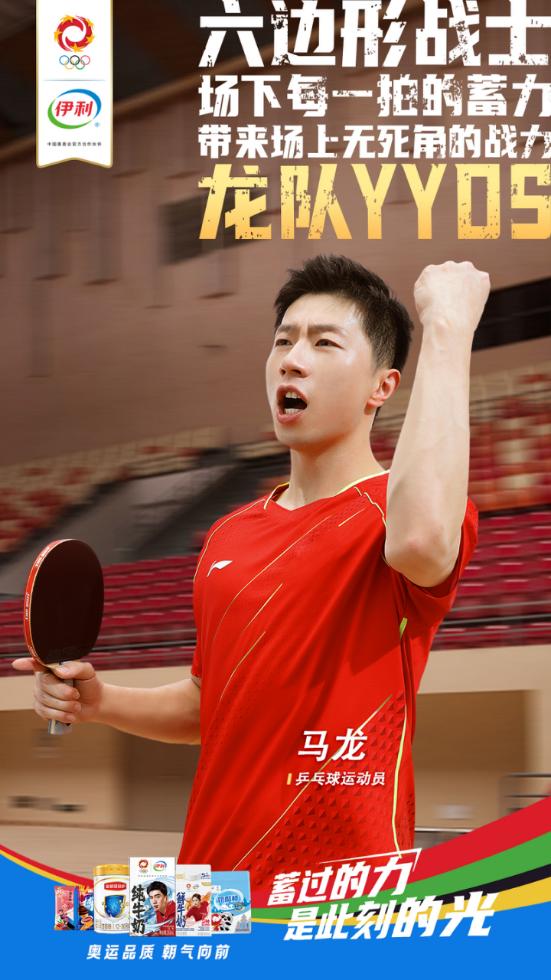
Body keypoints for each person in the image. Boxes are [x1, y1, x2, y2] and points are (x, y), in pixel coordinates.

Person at [12, 256, 489, 892]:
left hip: (335, 900)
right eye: (283, 341)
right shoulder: (228, 535)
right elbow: (209, 705)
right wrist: (101, 703)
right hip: (211, 891)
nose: (292, 360)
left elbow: (424, 539)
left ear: (382, 386)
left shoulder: (400, 517)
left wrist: (449, 325)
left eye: (324, 343)